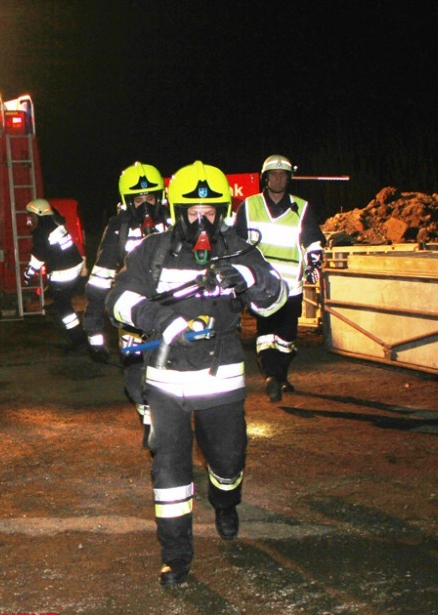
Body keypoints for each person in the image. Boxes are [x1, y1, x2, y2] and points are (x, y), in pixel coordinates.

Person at [106, 161, 287, 586]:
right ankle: (176, 557)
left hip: (219, 380)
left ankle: (225, 501)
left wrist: (243, 276)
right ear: (177, 211)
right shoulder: (151, 251)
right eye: (193, 212)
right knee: (169, 472)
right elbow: (118, 300)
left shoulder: (238, 247)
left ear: (223, 211)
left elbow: (275, 298)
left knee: (228, 460)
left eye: (210, 212)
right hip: (165, 383)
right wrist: (163, 321)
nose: (202, 221)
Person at [83, 162, 169, 444]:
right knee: (135, 376)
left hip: (169, 312)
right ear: (126, 202)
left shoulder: (175, 222)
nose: (145, 205)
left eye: (151, 197)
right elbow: (100, 279)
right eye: (138, 199)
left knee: (169, 372)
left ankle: (164, 422)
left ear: (161, 196)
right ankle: (147, 414)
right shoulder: (117, 228)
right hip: (132, 316)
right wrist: (94, 329)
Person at [234, 154, 326, 402]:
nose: (277, 178)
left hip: (291, 287)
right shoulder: (249, 206)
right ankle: (272, 377)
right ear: (265, 178)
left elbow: (313, 239)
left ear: (288, 178)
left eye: (282, 174)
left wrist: (315, 259)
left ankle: (280, 375)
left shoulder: (302, 207)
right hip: (261, 287)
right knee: (266, 335)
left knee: (286, 338)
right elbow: (236, 243)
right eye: (273, 174)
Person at [23, 198, 86, 352]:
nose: (29, 220)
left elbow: (38, 258)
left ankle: (80, 342)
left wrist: (27, 275)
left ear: (39, 215)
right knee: (61, 301)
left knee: (63, 309)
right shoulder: (55, 224)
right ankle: (80, 337)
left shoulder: (41, 232)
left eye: (31, 216)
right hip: (74, 265)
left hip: (64, 271)